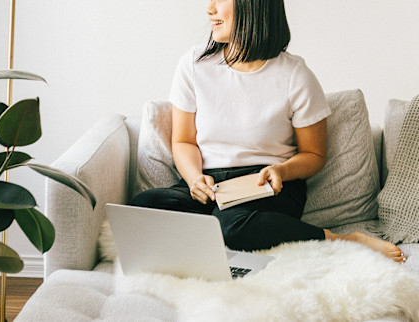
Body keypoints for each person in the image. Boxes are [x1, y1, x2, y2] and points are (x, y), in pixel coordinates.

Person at [131, 0, 406, 263]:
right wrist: (193, 179)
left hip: (267, 185)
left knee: (233, 226)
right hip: (210, 184)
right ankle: (213, 233)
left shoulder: (295, 75)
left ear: (253, 5)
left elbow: (314, 153)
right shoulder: (194, 64)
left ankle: (340, 240)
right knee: (145, 205)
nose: (209, 8)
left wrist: (282, 171)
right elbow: (183, 141)